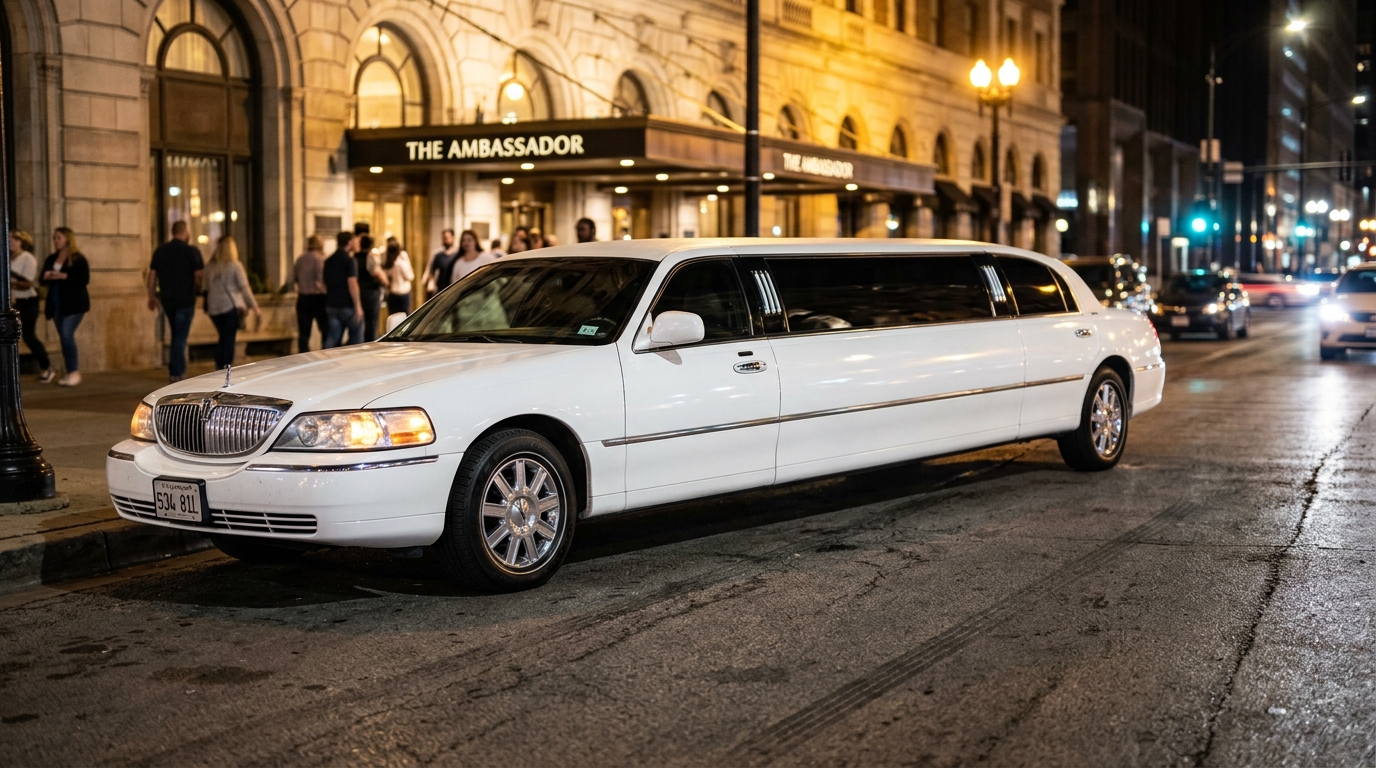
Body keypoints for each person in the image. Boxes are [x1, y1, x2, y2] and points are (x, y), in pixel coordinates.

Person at [146, 220, 204, 382]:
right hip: (185, 299)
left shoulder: (161, 251)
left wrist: (151, 296)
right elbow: (199, 275)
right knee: (180, 336)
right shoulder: (191, 251)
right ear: (185, 231)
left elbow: (152, 276)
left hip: (168, 300)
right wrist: (200, 290)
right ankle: (177, 371)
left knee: (176, 334)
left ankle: (177, 369)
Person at [39, 227, 89, 387]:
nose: (56, 241)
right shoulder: (52, 258)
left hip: (74, 304)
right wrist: (47, 276)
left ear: (67, 239)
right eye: (54, 238)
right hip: (56, 303)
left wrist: (63, 276)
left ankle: (74, 371)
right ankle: (69, 371)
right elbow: (41, 278)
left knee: (67, 335)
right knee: (64, 337)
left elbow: (83, 279)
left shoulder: (77, 259)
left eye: (59, 238)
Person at [203, 236, 261, 370]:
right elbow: (244, 288)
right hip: (229, 307)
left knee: (223, 336)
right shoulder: (235, 266)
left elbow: (204, 288)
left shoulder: (209, 267)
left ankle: (219, 365)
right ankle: (225, 367)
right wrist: (254, 306)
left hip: (214, 308)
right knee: (229, 339)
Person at [9, 230, 52, 383]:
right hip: (12, 302)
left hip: (27, 301)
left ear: (23, 242)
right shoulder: (8, 258)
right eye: (9, 238)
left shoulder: (28, 258)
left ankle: (46, 367)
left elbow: (27, 283)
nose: (10, 241)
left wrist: (10, 283)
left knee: (28, 336)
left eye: (15, 239)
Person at [322, 231, 363, 348]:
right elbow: (352, 284)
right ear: (349, 243)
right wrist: (358, 306)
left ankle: (324, 358)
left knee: (333, 337)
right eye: (355, 241)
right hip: (347, 305)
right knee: (356, 337)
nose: (356, 243)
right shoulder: (350, 261)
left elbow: (324, 283)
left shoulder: (328, 260)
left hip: (332, 304)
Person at [292, 234, 328, 353]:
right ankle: (326, 354)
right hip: (317, 299)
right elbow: (319, 281)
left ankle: (303, 356)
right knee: (325, 329)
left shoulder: (300, 258)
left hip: (303, 298)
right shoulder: (319, 259)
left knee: (304, 332)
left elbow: (296, 279)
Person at [354, 234, 386, 342]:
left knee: (360, 323)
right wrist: (386, 282)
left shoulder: (354, 257)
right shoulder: (370, 257)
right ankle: (370, 344)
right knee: (371, 323)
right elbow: (376, 273)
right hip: (370, 293)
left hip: (358, 292)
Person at [383, 237, 414, 315]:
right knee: (404, 319)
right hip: (403, 293)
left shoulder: (387, 263)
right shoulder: (400, 262)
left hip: (391, 294)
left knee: (393, 318)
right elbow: (410, 276)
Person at [426, 228, 458, 297]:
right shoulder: (438, 255)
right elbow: (432, 272)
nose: (445, 240)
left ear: (453, 238)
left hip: (454, 289)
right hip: (441, 290)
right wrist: (431, 285)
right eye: (444, 238)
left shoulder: (457, 255)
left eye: (447, 238)